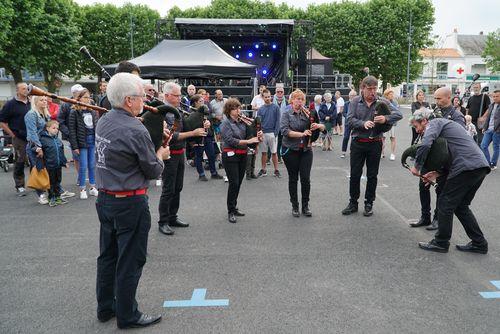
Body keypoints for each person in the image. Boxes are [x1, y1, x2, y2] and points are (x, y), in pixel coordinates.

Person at [95, 72, 168, 329]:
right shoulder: (135, 128)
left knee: (108, 256)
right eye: (141, 96)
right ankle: (128, 314)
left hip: (105, 199)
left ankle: (106, 307)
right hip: (129, 203)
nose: (144, 101)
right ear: (128, 100)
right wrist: (161, 153)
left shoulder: (104, 120)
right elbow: (154, 170)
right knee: (130, 259)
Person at [409, 109, 490, 254]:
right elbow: (451, 153)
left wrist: (416, 166)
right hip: (479, 166)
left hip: (466, 167)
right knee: (461, 206)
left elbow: (426, 144)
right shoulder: (449, 126)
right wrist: (438, 173)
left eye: (416, 126)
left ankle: (441, 242)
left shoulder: (435, 123)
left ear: (424, 121)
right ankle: (479, 243)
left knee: (445, 203)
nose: (417, 130)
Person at [342, 76, 402, 217]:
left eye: (375, 89)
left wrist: (385, 118)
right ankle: (353, 203)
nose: (373, 92)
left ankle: (369, 203)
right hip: (358, 143)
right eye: (369, 89)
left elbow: (398, 114)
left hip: (375, 143)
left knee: (372, 175)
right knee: (355, 175)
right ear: (362, 88)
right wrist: (363, 124)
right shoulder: (355, 101)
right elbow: (349, 120)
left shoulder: (382, 101)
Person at [410, 87, 464, 230]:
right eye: (435, 98)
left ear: (448, 97)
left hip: (445, 158)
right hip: (431, 154)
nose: (436, 101)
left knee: (440, 189)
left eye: (439, 98)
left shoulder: (456, 115)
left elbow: (458, 137)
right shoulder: (434, 112)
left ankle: (437, 218)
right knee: (423, 186)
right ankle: (425, 216)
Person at [158, 82, 208, 236]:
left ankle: (172, 217)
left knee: (177, 187)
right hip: (168, 153)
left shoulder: (178, 110)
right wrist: (193, 133)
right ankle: (163, 221)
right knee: (168, 188)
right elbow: (171, 136)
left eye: (180, 95)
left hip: (180, 152)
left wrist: (203, 123)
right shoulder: (162, 113)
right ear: (167, 96)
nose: (180, 98)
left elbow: (186, 126)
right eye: (177, 95)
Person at [281, 89, 325, 217]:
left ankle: (305, 205)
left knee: (305, 179)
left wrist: (319, 127)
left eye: (301, 99)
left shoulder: (308, 113)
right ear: (292, 100)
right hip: (291, 150)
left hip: (306, 149)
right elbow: (284, 131)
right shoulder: (286, 113)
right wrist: (302, 134)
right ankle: (295, 205)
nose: (299, 101)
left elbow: (318, 126)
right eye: (297, 99)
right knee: (293, 178)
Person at [220, 98, 262, 223]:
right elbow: (230, 140)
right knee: (234, 182)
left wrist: (257, 136)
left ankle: (234, 206)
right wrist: (249, 141)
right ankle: (230, 211)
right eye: (236, 108)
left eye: (239, 107)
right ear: (229, 110)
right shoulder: (225, 123)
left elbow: (250, 136)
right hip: (230, 155)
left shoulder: (243, 122)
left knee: (238, 183)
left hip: (242, 154)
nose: (239, 110)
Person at [0, 82, 30, 195]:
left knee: (36, 161)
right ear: (17, 90)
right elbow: (2, 121)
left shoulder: (32, 102)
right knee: (20, 161)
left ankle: (37, 184)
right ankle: (20, 185)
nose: (26, 90)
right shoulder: (10, 104)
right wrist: (12, 135)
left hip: (32, 137)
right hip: (19, 137)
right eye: (23, 89)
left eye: (27, 88)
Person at [68, 88, 99, 199]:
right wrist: (75, 146)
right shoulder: (74, 112)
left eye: (89, 97)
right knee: (83, 166)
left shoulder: (93, 111)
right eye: (85, 97)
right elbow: (72, 131)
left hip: (92, 140)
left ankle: (92, 187)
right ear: (79, 98)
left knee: (92, 165)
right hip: (82, 142)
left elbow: (96, 126)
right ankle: (82, 189)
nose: (88, 99)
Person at [188, 94, 223, 181]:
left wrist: (210, 123)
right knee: (199, 156)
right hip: (198, 137)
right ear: (195, 103)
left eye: (203, 101)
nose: (203, 103)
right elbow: (191, 125)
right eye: (200, 101)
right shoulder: (191, 112)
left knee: (211, 155)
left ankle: (214, 173)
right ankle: (201, 174)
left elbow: (211, 120)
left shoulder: (206, 110)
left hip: (208, 136)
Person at [25, 95, 51, 204]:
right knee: (38, 170)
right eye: (41, 100)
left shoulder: (45, 114)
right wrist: (38, 147)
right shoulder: (31, 114)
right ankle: (41, 195)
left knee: (48, 169)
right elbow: (32, 133)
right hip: (34, 147)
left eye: (45, 100)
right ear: (35, 102)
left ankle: (53, 190)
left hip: (46, 145)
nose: (44, 102)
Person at [39, 120, 68, 207]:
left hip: (58, 165)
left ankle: (58, 197)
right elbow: (36, 149)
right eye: (53, 128)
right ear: (47, 128)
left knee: (58, 181)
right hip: (49, 166)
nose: (56, 130)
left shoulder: (58, 140)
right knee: (51, 182)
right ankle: (51, 197)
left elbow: (61, 152)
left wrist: (64, 162)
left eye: (57, 128)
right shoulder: (43, 139)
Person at [58, 84, 84, 174]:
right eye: (79, 92)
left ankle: (86, 176)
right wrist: (69, 133)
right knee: (77, 157)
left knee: (87, 157)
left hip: (85, 134)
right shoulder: (66, 105)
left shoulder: (87, 102)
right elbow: (60, 121)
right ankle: (80, 176)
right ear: (73, 93)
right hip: (72, 135)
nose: (81, 93)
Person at [256, 89, 281, 177]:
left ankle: (276, 170)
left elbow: (278, 121)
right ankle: (263, 170)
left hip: (272, 133)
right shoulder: (260, 109)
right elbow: (258, 123)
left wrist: (275, 133)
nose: (267, 98)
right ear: (263, 97)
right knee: (263, 153)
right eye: (266, 97)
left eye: (269, 96)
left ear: (271, 96)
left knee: (274, 152)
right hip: (263, 133)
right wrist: (259, 133)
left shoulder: (276, 107)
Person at [480, 89, 500, 170]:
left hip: (497, 130)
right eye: (494, 96)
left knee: (496, 147)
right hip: (488, 129)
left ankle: (493, 163)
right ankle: (488, 163)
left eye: (497, 96)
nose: (495, 98)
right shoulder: (491, 105)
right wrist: (484, 127)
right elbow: (488, 118)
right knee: (483, 145)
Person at [382, 89, 400, 161]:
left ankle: (392, 154)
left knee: (392, 138)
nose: (392, 95)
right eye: (390, 94)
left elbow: (396, 112)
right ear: (386, 95)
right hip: (384, 123)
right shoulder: (383, 102)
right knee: (382, 138)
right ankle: (382, 153)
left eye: (393, 94)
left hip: (392, 123)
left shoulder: (395, 102)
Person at [273, 85, 288, 163]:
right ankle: (268, 158)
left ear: (283, 93)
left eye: (281, 92)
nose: (279, 93)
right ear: (275, 92)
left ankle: (279, 157)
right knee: (271, 142)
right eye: (278, 92)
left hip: (283, 125)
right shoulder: (271, 100)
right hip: (273, 125)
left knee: (281, 142)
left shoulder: (287, 101)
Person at [341, 90, 357, 158]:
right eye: (351, 95)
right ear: (349, 96)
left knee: (354, 138)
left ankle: (352, 151)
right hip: (348, 123)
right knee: (346, 137)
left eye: (354, 95)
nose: (352, 97)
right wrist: (348, 116)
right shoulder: (346, 103)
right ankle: (343, 152)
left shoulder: (358, 104)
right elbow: (344, 113)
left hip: (355, 123)